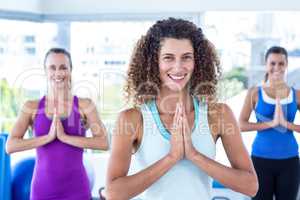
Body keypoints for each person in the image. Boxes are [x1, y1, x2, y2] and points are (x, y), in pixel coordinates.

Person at [105, 18, 258, 200]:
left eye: (186, 57)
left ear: (197, 62)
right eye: (168, 58)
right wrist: (171, 158)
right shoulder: (132, 119)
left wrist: (194, 155)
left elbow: (250, 186)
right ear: (154, 62)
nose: (178, 67)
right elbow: (113, 193)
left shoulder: (218, 114)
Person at [6, 48, 109, 200]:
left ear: (71, 70)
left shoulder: (85, 105)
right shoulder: (31, 107)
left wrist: (65, 137)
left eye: (63, 67)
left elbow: (104, 142)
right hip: (43, 189)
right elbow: (10, 146)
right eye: (52, 68)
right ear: (45, 71)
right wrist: (47, 137)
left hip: (77, 189)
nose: (58, 73)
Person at [239, 46, 300, 200]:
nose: (276, 68)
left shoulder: (297, 94)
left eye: (281, 63)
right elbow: (241, 124)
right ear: (266, 65)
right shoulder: (254, 92)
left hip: (289, 161)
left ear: (286, 65)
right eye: (272, 63)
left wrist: (286, 124)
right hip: (260, 159)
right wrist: (271, 123)